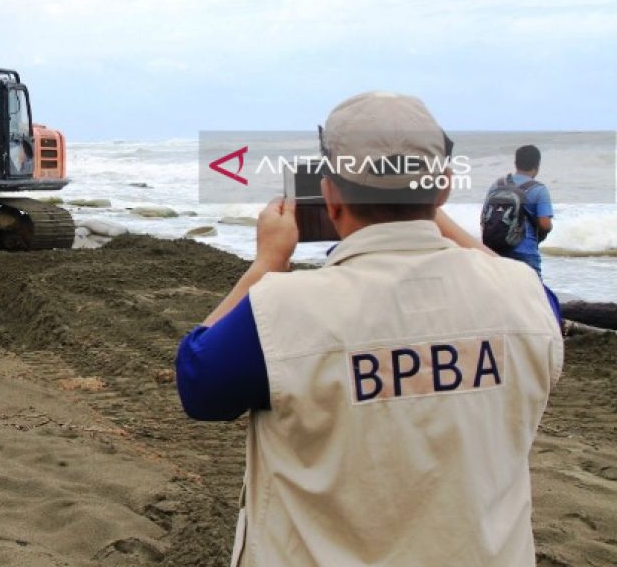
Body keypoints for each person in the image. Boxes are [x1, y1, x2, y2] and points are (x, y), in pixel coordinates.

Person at [176, 91, 563, 566]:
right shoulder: (528, 299)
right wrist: (429, 215)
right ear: (443, 188)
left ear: (330, 196)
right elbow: (512, 281)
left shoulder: (282, 310)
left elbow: (198, 380)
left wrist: (266, 263)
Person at [482, 145, 553, 276]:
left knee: (503, 291)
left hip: (497, 249)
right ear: (537, 165)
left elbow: (485, 218)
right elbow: (544, 223)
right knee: (532, 293)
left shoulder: (497, 185)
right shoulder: (539, 190)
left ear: (515, 163)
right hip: (525, 252)